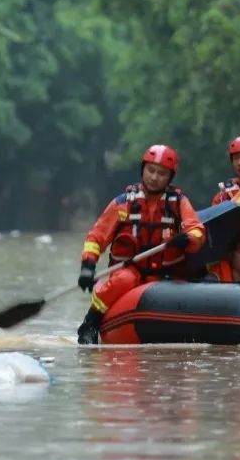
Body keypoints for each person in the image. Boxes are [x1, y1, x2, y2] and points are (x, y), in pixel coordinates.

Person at [75, 144, 206, 344]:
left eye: (161, 173)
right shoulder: (124, 203)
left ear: (170, 177)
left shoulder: (178, 202)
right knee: (123, 281)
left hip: (168, 274)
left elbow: (196, 230)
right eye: (151, 170)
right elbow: (97, 237)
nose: (154, 177)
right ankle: (90, 322)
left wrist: (187, 238)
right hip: (131, 270)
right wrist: (87, 266)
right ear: (142, 170)